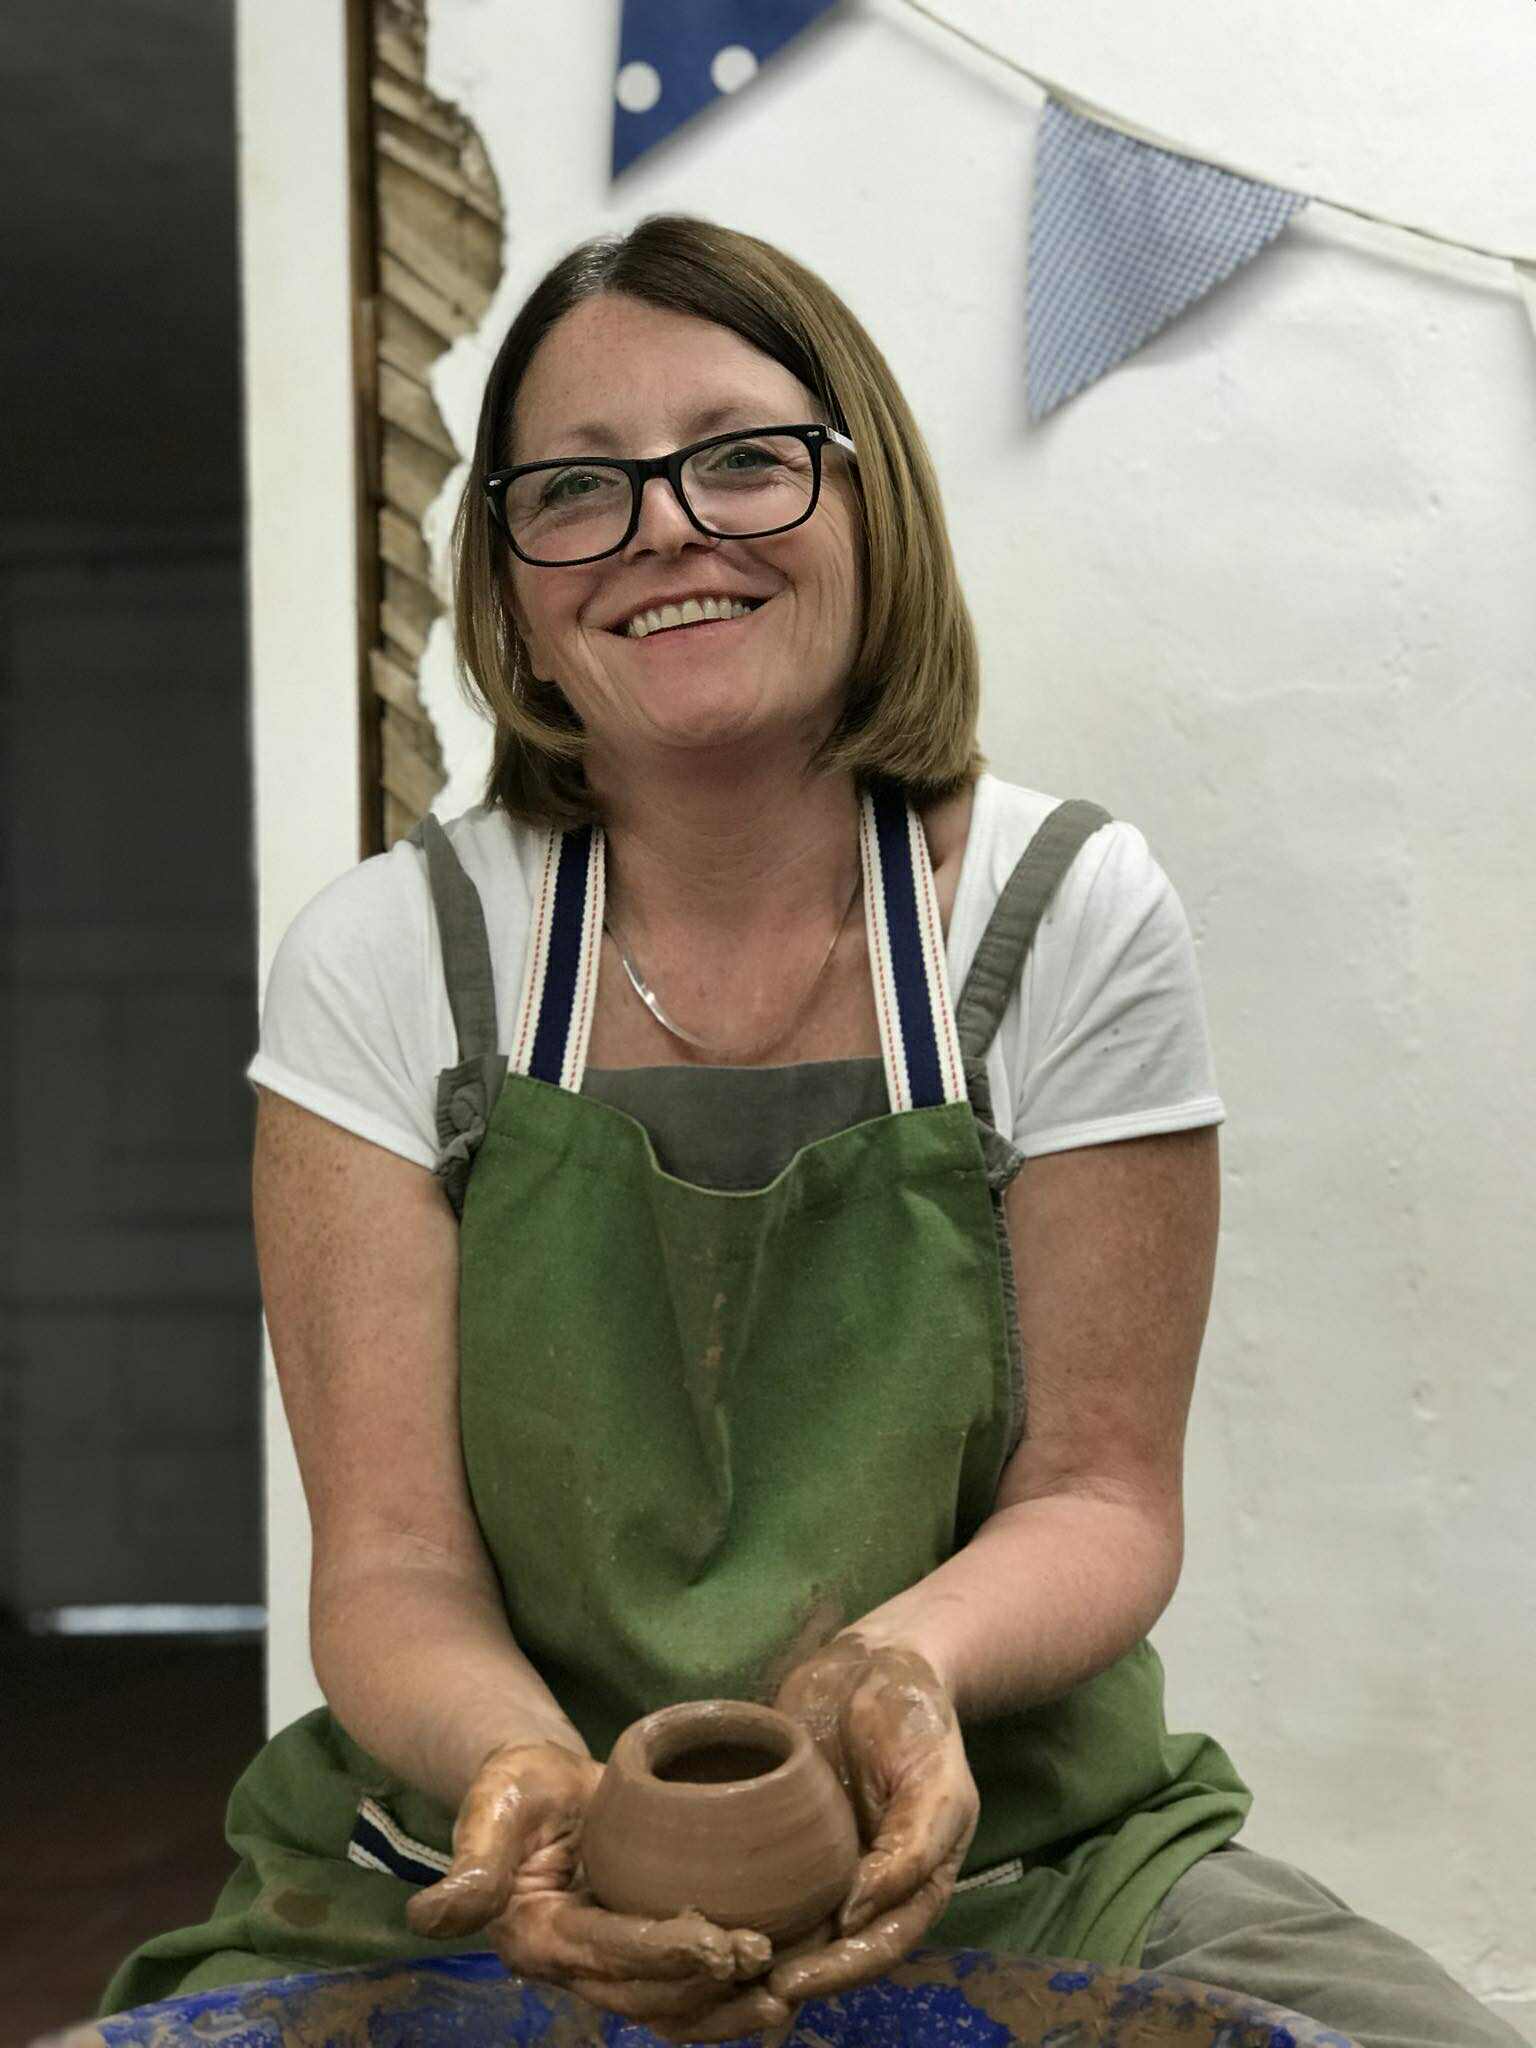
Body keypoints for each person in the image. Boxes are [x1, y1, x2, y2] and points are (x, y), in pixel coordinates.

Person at [103, 216, 1518, 2048]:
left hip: (1013, 1833)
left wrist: (895, 1672)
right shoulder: (399, 956)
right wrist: (532, 1777)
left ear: (872, 500)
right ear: (513, 577)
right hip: (469, 1847)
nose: (666, 528)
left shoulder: (1056, 910)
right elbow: (393, 1568)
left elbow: (1101, 1490)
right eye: (579, 490)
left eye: (744, 456)